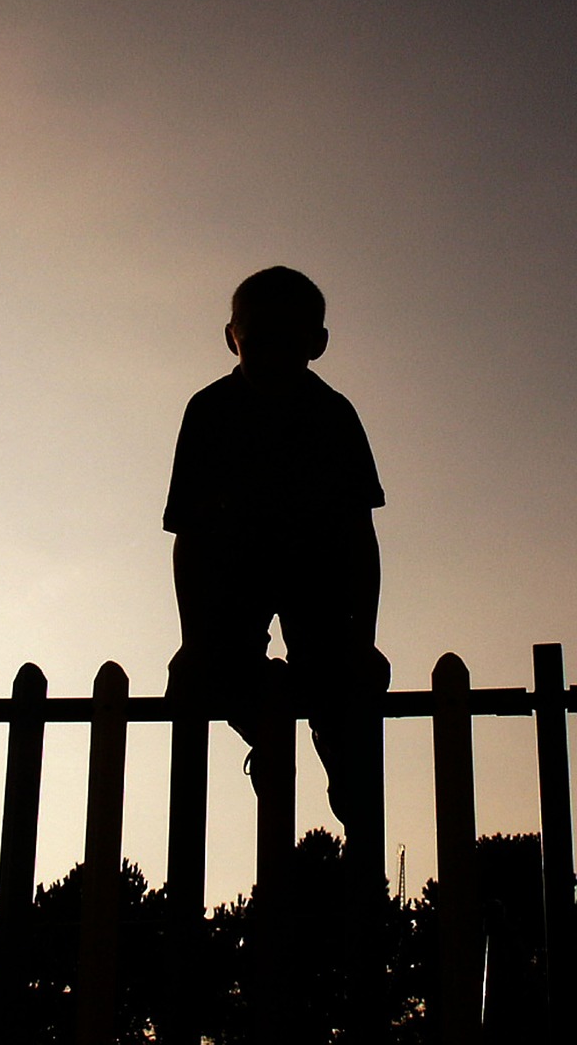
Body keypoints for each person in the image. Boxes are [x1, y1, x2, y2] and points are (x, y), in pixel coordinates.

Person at [163, 266, 389, 822]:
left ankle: (331, 743)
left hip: (318, 572)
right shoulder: (210, 412)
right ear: (232, 339)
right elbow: (190, 537)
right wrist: (193, 639)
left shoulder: (333, 416)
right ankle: (270, 735)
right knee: (203, 672)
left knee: (347, 671)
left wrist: (365, 638)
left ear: (316, 344)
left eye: (286, 341)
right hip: (234, 571)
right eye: (257, 341)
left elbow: (360, 541)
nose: (269, 356)